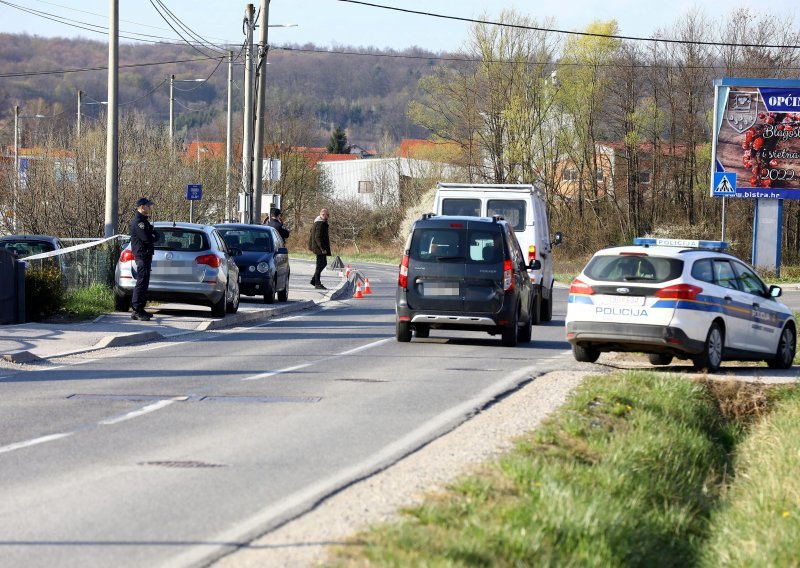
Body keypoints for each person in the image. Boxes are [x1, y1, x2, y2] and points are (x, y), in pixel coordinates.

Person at [129, 197, 158, 321]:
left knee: (144, 282)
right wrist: (153, 235)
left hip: (146, 256)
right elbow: (147, 238)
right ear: (142, 207)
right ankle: (136, 308)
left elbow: (155, 235)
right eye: (148, 206)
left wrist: (153, 235)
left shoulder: (144, 222)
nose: (149, 208)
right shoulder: (138, 222)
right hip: (141, 256)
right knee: (141, 283)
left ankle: (140, 308)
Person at [308, 208, 330, 289]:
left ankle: (314, 280)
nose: (328, 216)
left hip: (318, 247)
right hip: (319, 248)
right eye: (328, 215)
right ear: (323, 215)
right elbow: (318, 237)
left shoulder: (319, 223)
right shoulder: (320, 224)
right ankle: (317, 283)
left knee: (323, 264)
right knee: (320, 265)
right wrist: (322, 248)